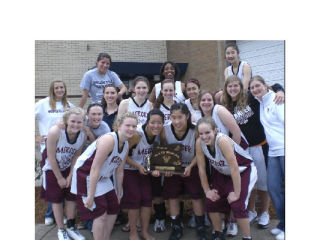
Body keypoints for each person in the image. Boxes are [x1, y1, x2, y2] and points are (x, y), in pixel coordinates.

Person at [221, 75, 285, 229]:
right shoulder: (227, 106)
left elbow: (273, 86)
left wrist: (281, 91)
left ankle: (264, 212)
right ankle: (252, 211)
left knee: (264, 182)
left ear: (241, 87)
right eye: (230, 86)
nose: (233, 89)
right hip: (243, 150)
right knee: (251, 182)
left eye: (236, 85)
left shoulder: (251, 97)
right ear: (226, 89)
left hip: (260, 146)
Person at [71, 112, 138, 240]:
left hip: (103, 177)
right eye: (128, 125)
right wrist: (90, 195)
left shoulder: (126, 144)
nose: (131, 129)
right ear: (119, 126)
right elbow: (94, 168)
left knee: (114, 208)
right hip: (86, 174)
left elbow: (119, 171)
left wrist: (119, 193)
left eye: (134, 126)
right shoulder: (109, 140)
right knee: (100, 214)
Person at [196, 117, 257, 240]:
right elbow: (201, 168)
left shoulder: (222, 140)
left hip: (243, 170)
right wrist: (207, 190)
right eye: (201, 133)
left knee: (237, 203)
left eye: (207, 132)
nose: (204, 136)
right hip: (223, 172)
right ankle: (218, 233)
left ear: (215, 130)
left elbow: (234, 168)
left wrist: (236, 193)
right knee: (211, 200)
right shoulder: (199, 142)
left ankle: (247, 237)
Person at [197, 89, 247, 236]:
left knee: (233, 188)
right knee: (221, 190)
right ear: (198, 103)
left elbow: (236, 132)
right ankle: (221, 223)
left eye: (209, 100)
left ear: (214, 101)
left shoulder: (219, 110)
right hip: (217, 157)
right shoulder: (202, 117)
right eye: (203, 100)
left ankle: (232, 221)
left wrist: (230, 157)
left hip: (233, 152)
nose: (206, 102)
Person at [162, 103, 207, 240]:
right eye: (173, 117)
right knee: (173, 196)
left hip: (191, 166)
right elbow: (163, 151)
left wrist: (190, 166)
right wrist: (166, 168)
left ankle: (200, 227)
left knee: (196, 196)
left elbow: (199, 154)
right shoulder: (165, 130)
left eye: (180, 117)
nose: (176, 121)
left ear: (187, 116)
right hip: (173, 169)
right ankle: (176, 226)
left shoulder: (195, 131)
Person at [40, 107, 87, 240]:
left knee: (72, 196)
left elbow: (76, 157)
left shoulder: (82, 136)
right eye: (73, 121)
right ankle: (61, 230)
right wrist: (60, 178)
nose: (76, 125)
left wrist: (70, 176)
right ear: (66, 121)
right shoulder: (56, 132)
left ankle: (71, 227)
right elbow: (50, 157)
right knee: (57, 199)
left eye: (79, 122)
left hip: (68, 167)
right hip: (52, 167)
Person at [249, 76, 285, 240]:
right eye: (252, 88)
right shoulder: (261, 103)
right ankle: (284, 224)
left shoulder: (277, 99)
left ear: (265, 85)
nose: (255, 89)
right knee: (274, 188)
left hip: (285, 150)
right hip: (272, 153)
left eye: (258, 86)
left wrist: (280, 90)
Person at [121, 109, 165, 240]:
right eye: (153, 122)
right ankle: (133, 233)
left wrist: (157, 167)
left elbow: (158, 154)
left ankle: (145, 232)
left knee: (147, 201)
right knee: (135, 201)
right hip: (130, 170)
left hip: (145, 170)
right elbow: (122, 155)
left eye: (159, 123)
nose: (156, 126)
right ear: (147, 122)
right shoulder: (137, 134)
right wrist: (138, 166)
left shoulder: (160, 134)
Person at [35, 80, 74, 226]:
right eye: (56, 87)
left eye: (62, 87)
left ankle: (60, 214)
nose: (59, 90)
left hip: (65, 149)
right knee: (52, 182)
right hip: (48, 148)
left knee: (64, 182)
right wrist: (35, 137)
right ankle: (50, 213)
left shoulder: (69, 105)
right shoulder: (43, 104)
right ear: (52, 89)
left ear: (65, 89)